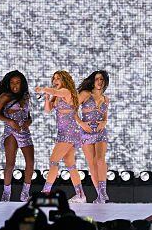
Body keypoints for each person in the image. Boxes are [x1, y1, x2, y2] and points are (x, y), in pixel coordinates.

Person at [34, 71, 87, 203]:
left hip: (69, 133)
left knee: (53, 161)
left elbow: (56, 92)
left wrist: (42, 89)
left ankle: (45, 194)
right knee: (70, 164)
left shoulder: (66, 91)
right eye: (54, 78)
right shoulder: (56, 94)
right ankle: (80, 195)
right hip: (64, 133)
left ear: (65, 80)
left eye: (58, 78)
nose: (55, 80)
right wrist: (47, 97)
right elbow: (48, 110)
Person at [0, 70, 35, 202]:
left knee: (31, 162)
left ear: (22, 83)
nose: (15, 85)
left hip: (24, 132)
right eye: (12, 83)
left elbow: (28, 116)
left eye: (17, 82)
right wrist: (10, 121)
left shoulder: (25, 96)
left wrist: (28, 122)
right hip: (11, 132)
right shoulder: (5, 96)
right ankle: (6, 194)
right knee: (10, 164)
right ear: (8, 84)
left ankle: (25, 194)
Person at [77, 70, 110, 203]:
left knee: (100, 160)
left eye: (102, 79)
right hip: (86, 132)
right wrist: (81, 124)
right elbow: (72, 110)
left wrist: (104, 122)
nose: (99, 82)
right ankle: (99, 195)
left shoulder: (106, 99)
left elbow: (105, 116)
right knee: (92, 164)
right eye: (97, 79)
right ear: (93, 80)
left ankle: (103, 192)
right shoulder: (85, 94)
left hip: (101, 132)